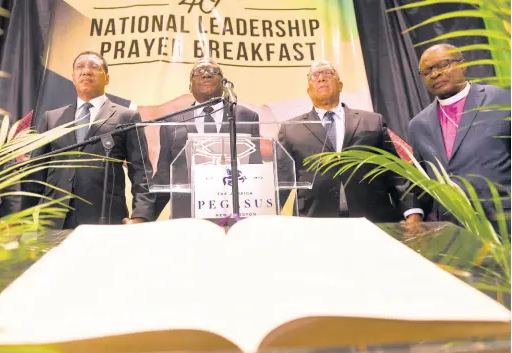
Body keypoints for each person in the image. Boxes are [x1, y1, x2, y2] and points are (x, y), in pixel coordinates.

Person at [22, 51, 156, 229]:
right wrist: (21, 218)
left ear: (106, 78)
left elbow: (141, 172)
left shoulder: (126, 117)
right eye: (79, 67)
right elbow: (36, 173)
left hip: (105, 218)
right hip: (54, 221)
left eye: (94, 67)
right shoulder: (52, 118)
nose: (86, 71)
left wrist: (141, 215)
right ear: (73, 77)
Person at [278, 60, 422, 222]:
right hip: (315, 222)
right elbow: (281, 182)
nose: (321, 78)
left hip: (372, 220)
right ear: (309, 91)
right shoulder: (290, 129)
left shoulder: (372, 121)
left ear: (340, 85)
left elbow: (394, 172)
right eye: (314, 76)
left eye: (328, 73)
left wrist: (412, 211)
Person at [408, 43, 511, 227]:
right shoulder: (418, 126)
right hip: (454, 230)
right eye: (427, 71)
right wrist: (414, 215)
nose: (435, 74)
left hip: (505, 222)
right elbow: (420, 183)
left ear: (463, 65)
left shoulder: (501, 100)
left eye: (443, 65)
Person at [154, 57, 260, 217]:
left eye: (213, 72)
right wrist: (142, 218)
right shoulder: (173, 122)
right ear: (190, 86)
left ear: (224, 83)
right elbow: (164, 175)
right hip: (186, 216)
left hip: (234, 214)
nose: (206, 75)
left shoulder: (246, 116)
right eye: (198, 72)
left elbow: (255, 167)